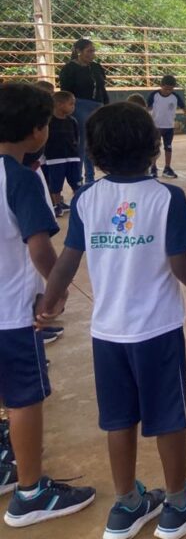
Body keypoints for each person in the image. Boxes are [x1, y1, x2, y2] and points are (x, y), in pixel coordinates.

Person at [39, 102, 186, 539]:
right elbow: (182, 266)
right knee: (168, 416)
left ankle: (126, 504)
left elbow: (68, 259)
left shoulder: (87, 198)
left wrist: (50, 301)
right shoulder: (166, 198)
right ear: (154, 146)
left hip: (107, 332)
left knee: (118, 418)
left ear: (93, 153)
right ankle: (178, 502)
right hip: (156, 331)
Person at [0, 83, 96, 528]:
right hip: (11, 313)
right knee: (24, 399)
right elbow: (39, 247)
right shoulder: (19, 178)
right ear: (39, 131)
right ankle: (30, 492)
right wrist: (55, 293)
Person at [58, 38, 108, 184]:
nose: (92, 54)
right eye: (89, 51)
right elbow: (66, 90)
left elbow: (102, 88)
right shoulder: (69, 68)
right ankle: (77, 178)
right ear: (79, 51)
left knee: (92, 142)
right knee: (81, 142)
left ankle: (90, 177)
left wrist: (106, 106)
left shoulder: (96, 67)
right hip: (80, 105)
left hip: (97, 106)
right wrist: (69, 108)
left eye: (93, 51)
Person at [42, 91, 81, 217]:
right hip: (54, 159)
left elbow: (76, 137)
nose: (73, 107)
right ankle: (57, 205)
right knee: (56, 184)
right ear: (59, 104)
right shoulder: (48, 122)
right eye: (71, 104)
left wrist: (75, 150)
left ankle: (79, 203)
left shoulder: (72, 121)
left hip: (72, 157)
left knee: (76, 181)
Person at [146, 75, 186, 180]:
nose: (168, 91)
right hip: (156, 126)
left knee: (168, 147)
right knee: (154, 148)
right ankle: (153, 167)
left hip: (169, 127)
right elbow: (147, 108)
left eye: (170, 89)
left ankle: (167, 168)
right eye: (166, 89)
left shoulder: (175, 97)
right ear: (161, 86)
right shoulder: (154, 95)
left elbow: (184, 108)